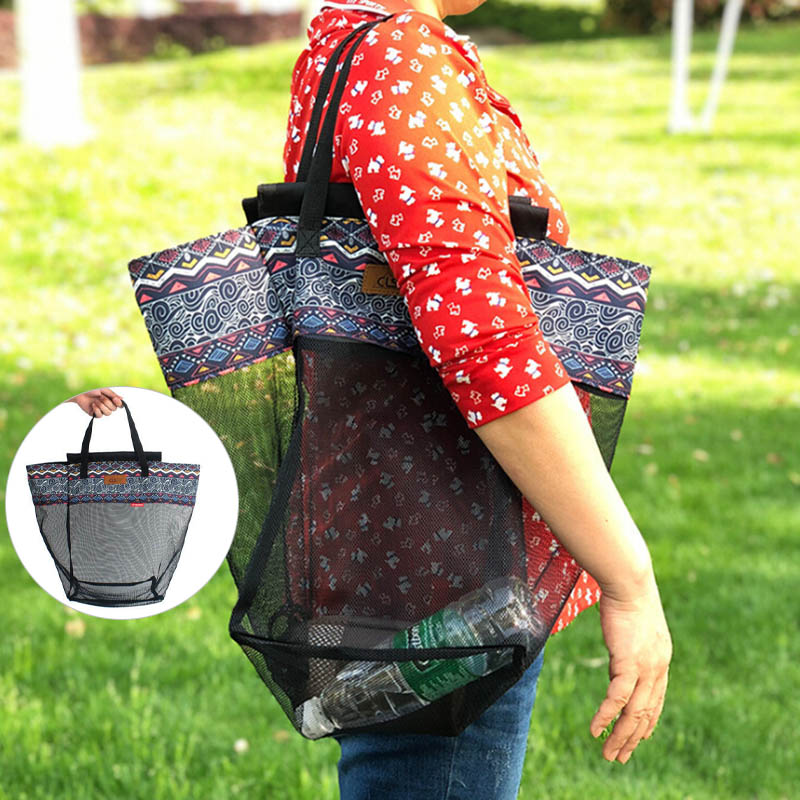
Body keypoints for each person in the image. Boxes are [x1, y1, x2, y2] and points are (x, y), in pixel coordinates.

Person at [283, 1, 673, 796]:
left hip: (399, 521)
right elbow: (486, 349)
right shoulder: (400, 59)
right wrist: (629, 579)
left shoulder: (352, 42)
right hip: (451, 552)